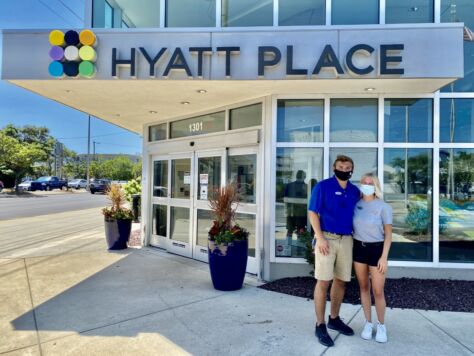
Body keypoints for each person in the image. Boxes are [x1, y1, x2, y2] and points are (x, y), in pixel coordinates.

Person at [308, 155, 360, 347]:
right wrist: (319, 237)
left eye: (348, 167)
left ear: (352, 170)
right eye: (340, 166)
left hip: (347, 239)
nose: (344, 170)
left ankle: (334, 319)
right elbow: (313, 212)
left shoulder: (355, 191)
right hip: (326, 239)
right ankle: (320, 324)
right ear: (334, 168)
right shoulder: (323, 186)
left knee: (341, 281)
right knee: (323, 281)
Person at [352, 173, 392, 343]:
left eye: (370, 183)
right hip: (359, 249)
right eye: (364, 182)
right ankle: (368, 323)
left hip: (376, 250)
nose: (367, 185)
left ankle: (381, 325)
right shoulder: (356, 204)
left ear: (375, 186)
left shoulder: (383, 207)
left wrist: (384, 257)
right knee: (363, 288)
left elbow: (389, 235)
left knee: (378, 291)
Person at [284, 170, 308, 242]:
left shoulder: (289, 185)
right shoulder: (306, 187)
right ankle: (300, 248)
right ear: (304, 177)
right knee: (300, 231)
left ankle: (288, 245)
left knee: (290, 231)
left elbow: (284, 198)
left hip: (291, 212)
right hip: (302, 213)